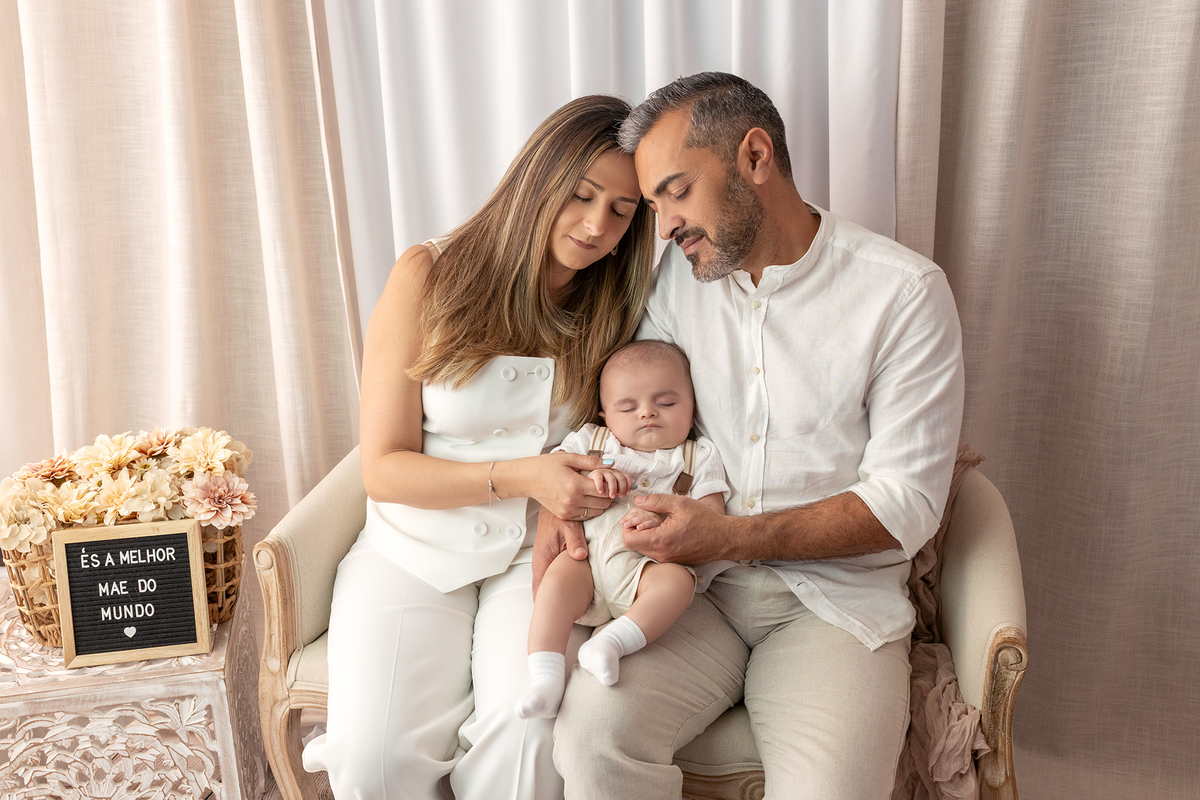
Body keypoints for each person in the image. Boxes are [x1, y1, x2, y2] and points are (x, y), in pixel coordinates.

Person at [545, 73, 965, 799]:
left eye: (676, 190)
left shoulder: (903, 294)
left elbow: (906, 506)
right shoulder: (677, 285)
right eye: (653, 206)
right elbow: (635, 431)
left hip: (834, 610)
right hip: (690, 597)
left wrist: (727, 538)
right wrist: (573, 490)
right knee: (589, 743)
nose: (664, 225)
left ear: (755, 156)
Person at [301, 95, 656, 800]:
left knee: (525, 746)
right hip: (410, 545)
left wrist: (576, 496)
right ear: (537, 181)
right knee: (374, 763)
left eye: (621, 210)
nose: (596, 225)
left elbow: (611, 435)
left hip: (536, 554)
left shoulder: (616, 304)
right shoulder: (428, 274)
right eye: (580, 196)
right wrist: (525, 475)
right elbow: (384, 467)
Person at [516, 339, 731, 720]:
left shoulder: (699, 456)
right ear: (604, 414)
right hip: (586, 558)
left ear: (693, 406)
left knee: (678, 583)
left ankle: (611, 644)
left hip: (646, 569)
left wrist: (667, 518)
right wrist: (592, 477)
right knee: (554, 584)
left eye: (666, 403)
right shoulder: (590, 441)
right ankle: (545, 679)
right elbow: (555, 478)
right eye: (628, 407)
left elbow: (711, 519)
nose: (647, 414)